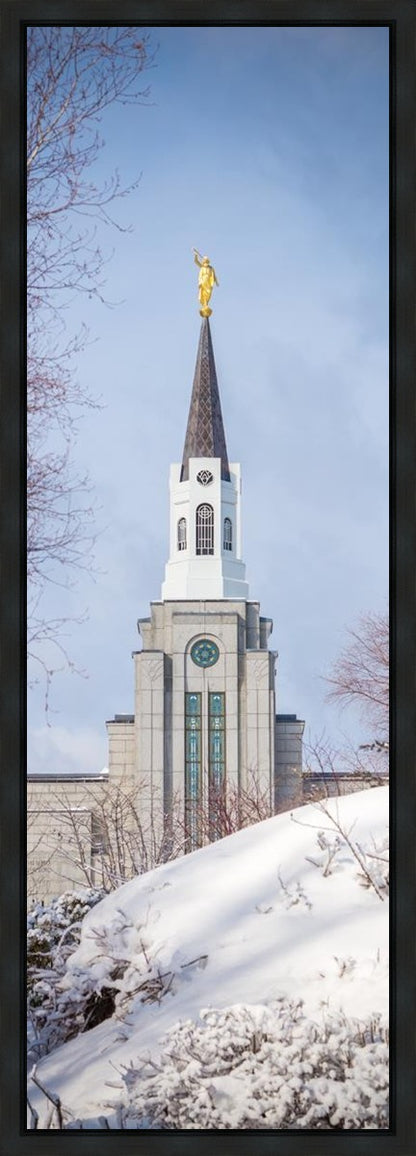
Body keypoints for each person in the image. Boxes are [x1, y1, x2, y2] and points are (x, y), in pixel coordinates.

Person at [192, 248, 219, 314]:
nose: (204, 261)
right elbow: (196, 261)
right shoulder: (202, 267)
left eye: (205, 260)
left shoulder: (210, 268)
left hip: (209, 282)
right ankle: (204, 304)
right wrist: (196, 256)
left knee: (208, 293)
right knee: (203, 292)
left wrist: (216, 282)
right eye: (204, 260)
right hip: (203, 280)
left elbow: (214, 275)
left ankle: (206, 303)